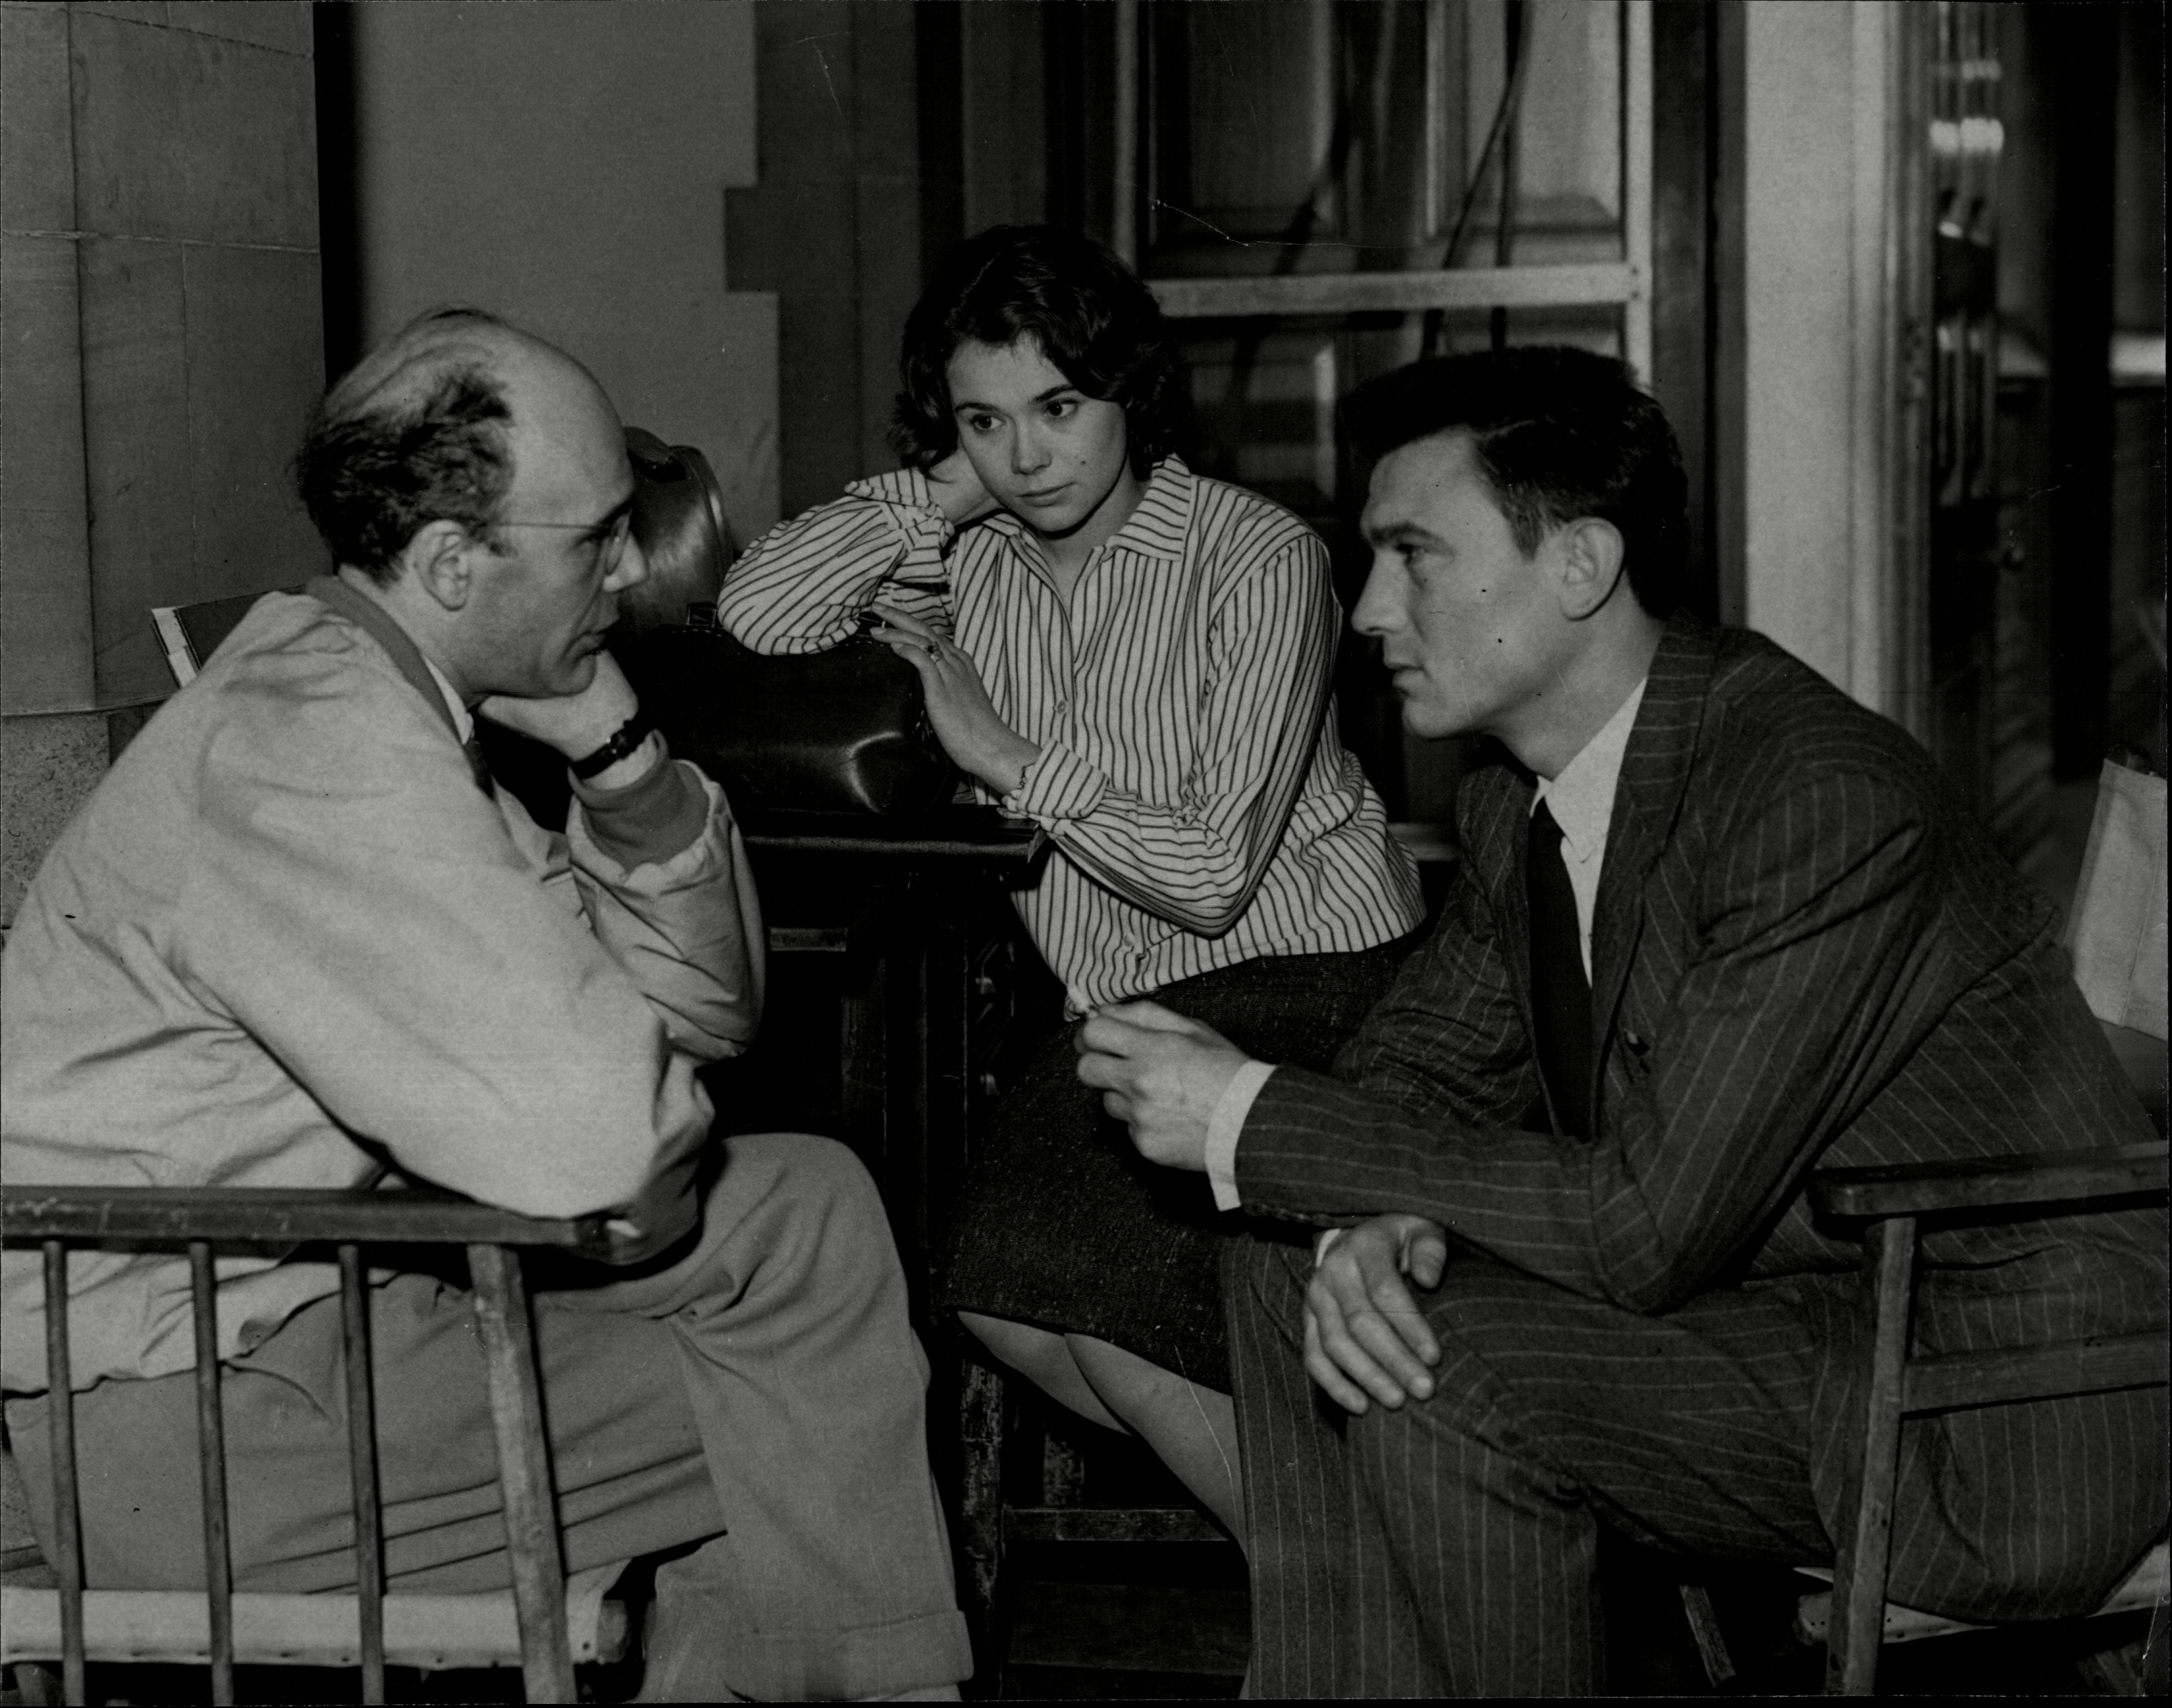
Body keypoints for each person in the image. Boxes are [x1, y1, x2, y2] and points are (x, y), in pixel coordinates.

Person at [1078, 346, 2168, 1695]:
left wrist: (1252, 1113)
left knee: (1437, 1354)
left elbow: (1643, 1229)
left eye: (1413, 554)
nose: (1366, 610)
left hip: (1999, 1403)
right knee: (1293, 1255)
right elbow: (1418, 1067)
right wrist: (1369, 1211)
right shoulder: (1512, 803)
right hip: (1807, 1313)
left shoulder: (1813, 798)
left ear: (1582, 565)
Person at [0, 308, 970, 1703]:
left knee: (803, 1213)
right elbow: (603, 1146)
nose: (634, 568)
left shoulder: (364, 692)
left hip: (306, 1319)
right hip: (207, 1443)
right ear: (454, 562)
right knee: (821, 1409)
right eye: (597, 538)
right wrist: (627, 1118)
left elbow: (706, 1014)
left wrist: (621, 754)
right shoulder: (317, 753)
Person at [717, 226, 1424, 1539]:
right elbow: (762, 613)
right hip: (1124, 1015)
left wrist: (1005, 754)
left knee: (1091, 1299)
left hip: (1313, 983)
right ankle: (1362, 1557)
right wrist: (942, 496)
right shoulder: (962, 559)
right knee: (1005, 1300)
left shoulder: (1257, 555)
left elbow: (1214, 875)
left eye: (1059, 408)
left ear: (1130, 400)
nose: (1028, 454)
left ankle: (1349, 1601)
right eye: (985, 421)